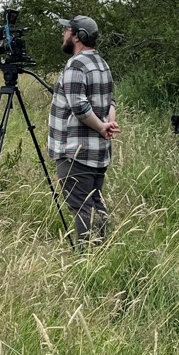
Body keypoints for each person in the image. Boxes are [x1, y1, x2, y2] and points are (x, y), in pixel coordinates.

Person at [47, 15, 117, 245]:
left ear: (78, 36)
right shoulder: (102, 63)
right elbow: (111, 102)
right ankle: (102, 252)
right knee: (94, 203)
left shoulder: (76, 65)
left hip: (76, 151)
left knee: (82, 208)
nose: (63, 34)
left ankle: (87, 258)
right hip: (98, 151)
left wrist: (101, 126)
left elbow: (78, 106)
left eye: (67, 30)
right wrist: (108, 124)